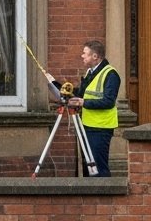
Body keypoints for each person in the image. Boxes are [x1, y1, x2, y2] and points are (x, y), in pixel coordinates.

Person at [43, 39, 119, 177]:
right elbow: (79, 94)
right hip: (87, 125)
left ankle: (104, 197)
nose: (82, 56)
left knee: (98, 168)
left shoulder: (111, 74)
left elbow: (108, 101)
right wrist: (54, 83)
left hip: (100, 128)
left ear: (95, 56)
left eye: (85, 53)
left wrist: (83, 103)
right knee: (88, 168)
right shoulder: (91, 72)